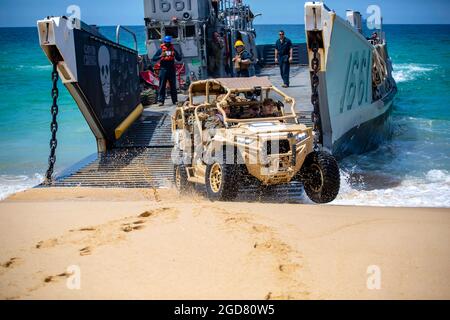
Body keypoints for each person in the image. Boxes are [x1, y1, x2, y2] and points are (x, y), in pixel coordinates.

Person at [152, 36, 182, 106]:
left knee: (173, 86)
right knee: (162, 85)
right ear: (164, 42)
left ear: (170, 42)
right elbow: (153, 58)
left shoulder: (173, 50)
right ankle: (161, 101)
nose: (167, 44)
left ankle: (175, 101)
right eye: (166, 42)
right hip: (163, 70)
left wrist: (175, 55)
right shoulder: (160, 50)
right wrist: (160, 56)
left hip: (171, 70)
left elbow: (179, 59)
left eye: (168, 42)